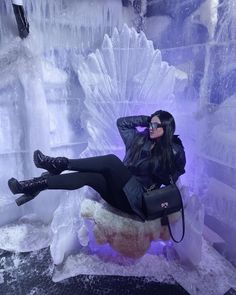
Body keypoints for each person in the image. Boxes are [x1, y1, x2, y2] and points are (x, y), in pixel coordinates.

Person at [8, 110, 186, 222]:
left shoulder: (173, 151)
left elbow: (175, 174)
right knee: (90, 177)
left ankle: (61, 164)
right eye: (150, 124)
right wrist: (147, 118)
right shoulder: (139, 140)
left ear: (167, 128)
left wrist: (169, 153)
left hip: (138, 200)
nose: (151, 127)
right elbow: (121, 122)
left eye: (156, 125)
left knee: (110, 160)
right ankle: (32, 186)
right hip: (119, 195)